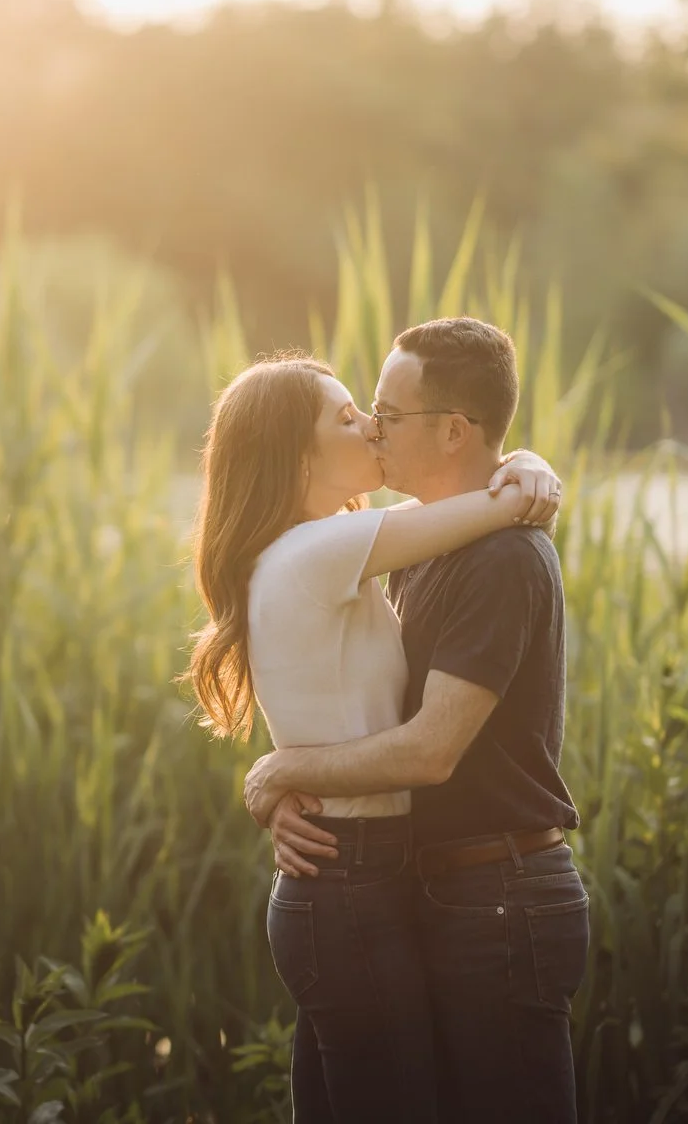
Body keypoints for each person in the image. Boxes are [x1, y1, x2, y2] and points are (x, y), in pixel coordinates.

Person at [181, 348, 561, 1122]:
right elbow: (498, 505)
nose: (371, 429)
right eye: (349, 417)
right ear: (296, 457)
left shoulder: (326, 552)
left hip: (360, 880)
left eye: (374, 412)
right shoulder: (316, 553)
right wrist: (530, 473)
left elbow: (469, 507)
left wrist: (284, 772)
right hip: (348, 885)